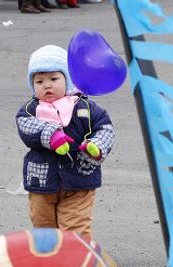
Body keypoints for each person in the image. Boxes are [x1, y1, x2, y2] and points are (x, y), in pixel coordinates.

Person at [15, 45, 115, 241]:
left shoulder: (84, 107)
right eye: (39, 81)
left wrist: (96, 146)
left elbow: (105, 128)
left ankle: (77, 264)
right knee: (44, 230)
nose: (47, 85)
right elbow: (25, 126)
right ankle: (50, 264)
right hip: (42, 182)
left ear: (67, 79)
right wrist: (50, 135)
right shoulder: (31, 109)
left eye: (54, 79)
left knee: (76, 228)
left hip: (80, 179)